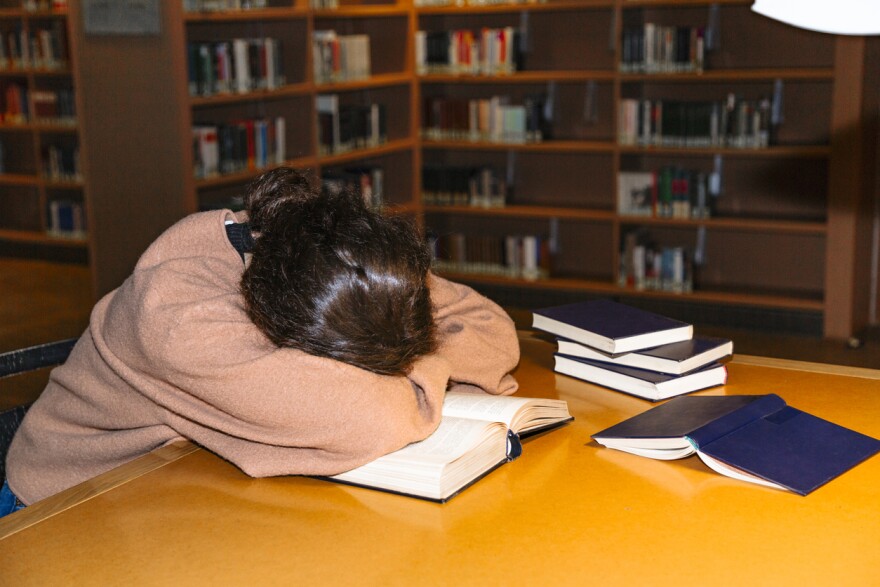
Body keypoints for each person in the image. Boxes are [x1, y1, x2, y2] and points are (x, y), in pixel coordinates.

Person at [1, 167, 519, 515]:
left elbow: (491, 327)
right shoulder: (176, 318)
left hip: (187, 481)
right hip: (71, 507)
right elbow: (367, 418)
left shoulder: (326, 253)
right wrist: (428, 368)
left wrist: (407, 355)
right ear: (271, 321)